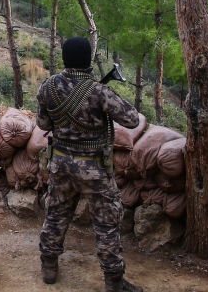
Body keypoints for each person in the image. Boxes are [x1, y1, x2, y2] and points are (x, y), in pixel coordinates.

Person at [36, 36, 144, 292]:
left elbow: (42, 125)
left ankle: (49, 266)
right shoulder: (99, 91)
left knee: (56, 214)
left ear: (64, 58)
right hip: (94, 168)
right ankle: (113, 281)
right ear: (88, 59)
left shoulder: (48, 87)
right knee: (106, 223)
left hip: (60, 165)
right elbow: (131, 120)